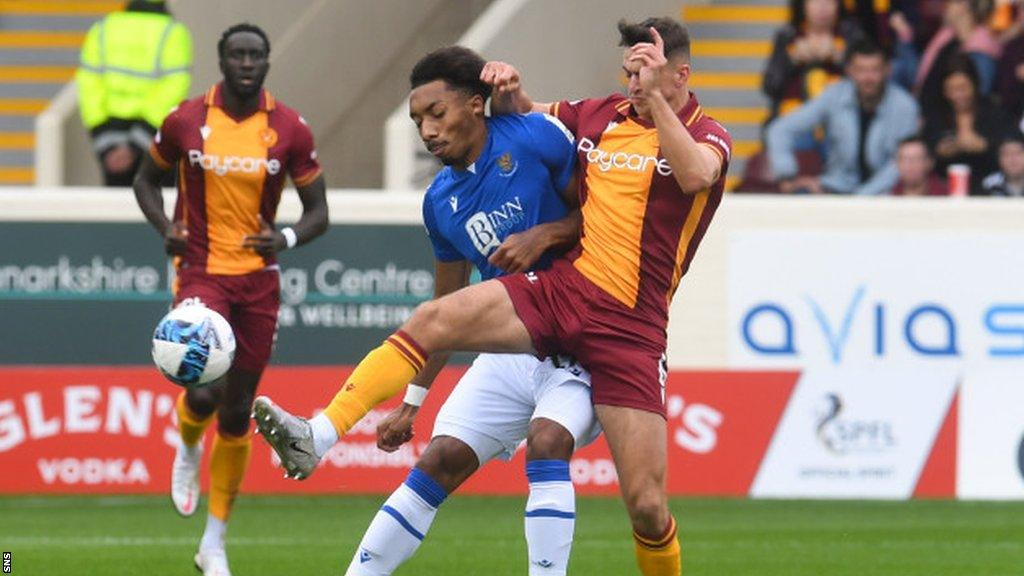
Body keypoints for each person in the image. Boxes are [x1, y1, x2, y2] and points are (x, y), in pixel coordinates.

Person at [255, 16, 728, 576]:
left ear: (681, 74)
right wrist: (507, 87)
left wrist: (655, 103)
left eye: (645, 73)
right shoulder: (596, 117)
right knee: (435, 319)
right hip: (562, 292)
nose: (633, 85)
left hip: (631, 329)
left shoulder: (709, 135)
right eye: (628, 72)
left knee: (647, 509)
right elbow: (530, 116)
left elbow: (697, 177)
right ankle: (320, 434)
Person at [332, 46, 601, 576]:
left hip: (580, 338)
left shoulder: (533, 135)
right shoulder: (439, 201)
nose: (427, 130)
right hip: (510, 350)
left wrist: (544, 234)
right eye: (417, 121)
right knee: (439, 460)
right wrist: (412, 403)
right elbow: (444, 311)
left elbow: (601, 219)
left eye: (436, 113)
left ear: (476, 105)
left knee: (548, 442)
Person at [132, 23, 328, 576]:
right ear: (222, 61)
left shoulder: (288, 127)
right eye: (237, 54)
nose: (247, 62)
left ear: (267, 62)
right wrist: (161, 227)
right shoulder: (185, 119)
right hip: (201, 272)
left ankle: (213, 543)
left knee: (239, 409)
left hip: (258, 281)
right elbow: (147, 181)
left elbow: (319, 212)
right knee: (205, 391)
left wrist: (284, 238)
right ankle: (189, 446)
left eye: (256, 55)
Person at [766, 40, 919, 195]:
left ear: (888, 70)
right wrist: (786, 174)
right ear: (849, 71)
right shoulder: (834, 95)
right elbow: (780, 129)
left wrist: (860, 198)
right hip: (836, 187)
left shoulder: (905, 106)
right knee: (800, 197)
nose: (868, 78)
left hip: (886, 193)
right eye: (861, 70)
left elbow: (899, 165)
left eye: (875, 70)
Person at [77, 0, 192, 186]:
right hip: (154, 134)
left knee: (116, 209)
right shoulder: (173, 32)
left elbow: (88, 85)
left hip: (109, 134)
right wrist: (138, 142)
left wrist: (105, 142)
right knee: (158, 205)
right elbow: (174, 87)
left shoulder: (103, 28)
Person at [762, 0, 864, 122]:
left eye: (829, 2)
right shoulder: (788, 36)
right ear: (803, 5)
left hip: (840, 119)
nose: (822, 8)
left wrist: (839, 59)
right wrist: (792, 60)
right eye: (815, 1)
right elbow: (770, 86)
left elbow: (868, 85)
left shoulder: (851, 36)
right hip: (792, 118)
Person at [923, 54, 1009, 194]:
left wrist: (984, 146)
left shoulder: (993, 112)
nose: (958, 95)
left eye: (963, 88)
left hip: (990, 188)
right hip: (942, 189)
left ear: (975, 85)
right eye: (951, 89)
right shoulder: (936, 114)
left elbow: (1010, 149)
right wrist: (940, 150)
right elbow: (926, 147)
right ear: (943, 90)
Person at [913, 0, 1000, 118]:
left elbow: (976, 102)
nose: (943, 7)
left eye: (949, 2)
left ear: (963, 6)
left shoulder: (981, 55)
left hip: (951, 125)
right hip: (931, 119)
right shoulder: (947, 42)